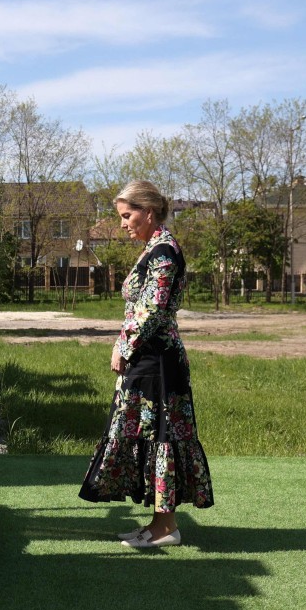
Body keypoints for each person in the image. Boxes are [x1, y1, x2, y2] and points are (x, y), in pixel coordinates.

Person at [78, 180, 214, 548]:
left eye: (127, 215)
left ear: (148, 212)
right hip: (148, 358)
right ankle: (158, 522)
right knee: (151, 436)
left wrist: (122, 346)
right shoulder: (153, 249)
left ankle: (166, 528)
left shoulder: (164, 252)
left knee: (162, 437)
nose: (122, 224)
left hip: (157, 361)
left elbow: (152, 308)